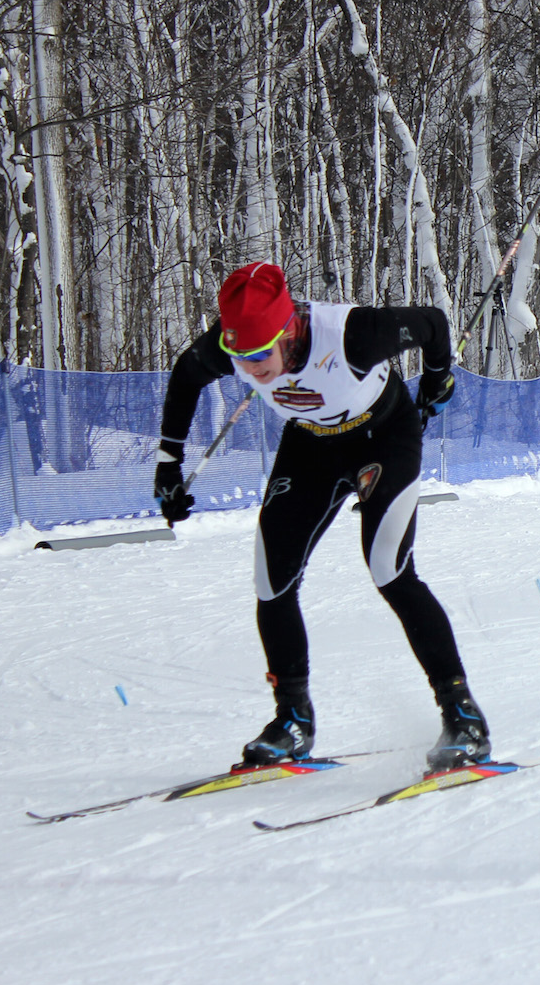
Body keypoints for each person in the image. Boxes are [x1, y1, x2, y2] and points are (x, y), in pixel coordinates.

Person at [152, 261, 488, 770]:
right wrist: (168, 462)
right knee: (272, 579)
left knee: (388, 569)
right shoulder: (239, 344)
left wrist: (438, 379)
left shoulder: (353, 335)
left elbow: (433, 324)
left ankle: (462, 714)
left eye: (261, 353)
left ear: (288, 329)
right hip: (311, 446)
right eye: (238, 357)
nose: (252, 368)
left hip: (383, 436)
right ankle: (292, 721)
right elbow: (187, 373)